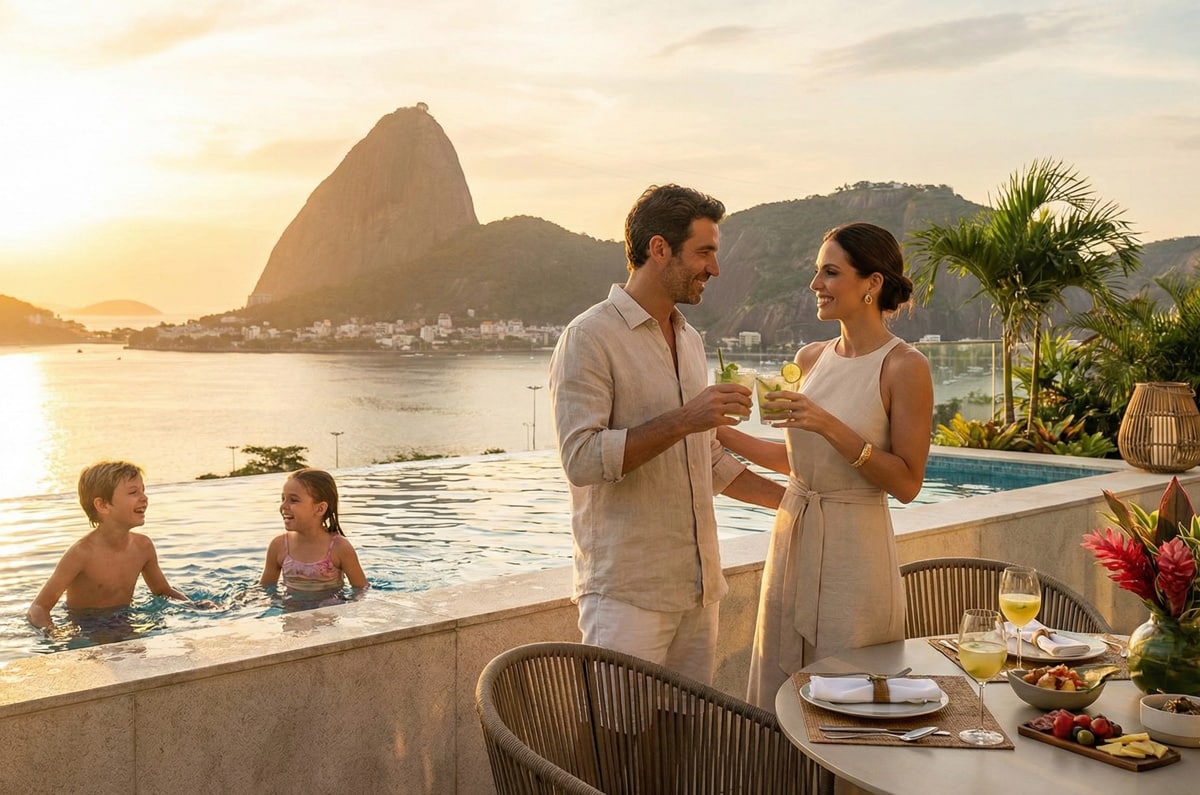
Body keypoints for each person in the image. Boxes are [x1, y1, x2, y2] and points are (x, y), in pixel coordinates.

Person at [549, 183, 785, 684]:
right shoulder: (588, 337)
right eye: (704, 252)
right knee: (621, 751)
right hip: (627, 596)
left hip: (699, 591)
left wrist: (795, 505)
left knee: (685, 745)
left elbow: (708, 459)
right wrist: (686, 418)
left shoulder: (690, 338)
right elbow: (583, 459)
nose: (715, 269)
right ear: (659, 249)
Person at [717, 221, 934, 708]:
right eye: (817, 272)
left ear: (872, 284)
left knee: (847, 690)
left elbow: (906, 483)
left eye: (830, 273)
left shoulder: (905, 366)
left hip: (854, 555)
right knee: (780, 689)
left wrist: (827, 423)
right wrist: (718, 430)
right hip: (793, 536)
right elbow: (798, 463)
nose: (816, 285)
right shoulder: (809, 358)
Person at [27, 460, 199, 634]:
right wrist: (54, 634)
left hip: (125, 619)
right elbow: (39, 607)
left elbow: (162, 591)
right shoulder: (81, 554)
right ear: (102, 505)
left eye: (143, 490)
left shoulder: (143, 546)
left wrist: (194, 606)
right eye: (133, 492)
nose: (144, 498)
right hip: (86, 627)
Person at [260, 468, 368, 594]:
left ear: (320, 509)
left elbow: (361, 590)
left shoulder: (339, 547)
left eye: (293, 500)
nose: (283, 506)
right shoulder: (278, 545)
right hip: (291, 610)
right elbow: (265, 589)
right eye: (283, 498)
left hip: (330, 610)